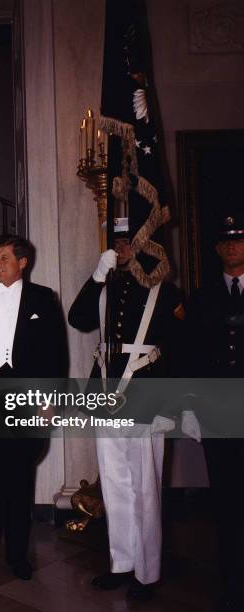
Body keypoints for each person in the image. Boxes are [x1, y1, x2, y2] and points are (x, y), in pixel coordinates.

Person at [68, 218, 185, 601]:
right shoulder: (108, 287)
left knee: (145, 488)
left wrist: (176, 404)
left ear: (147, 247)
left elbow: (180, 351)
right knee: (115, 483)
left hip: (146, 396)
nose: (121, 250)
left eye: (129, 243)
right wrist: (97, 275)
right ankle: (121, 562)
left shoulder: (165, 293)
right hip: (105, 392)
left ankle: (148, 571)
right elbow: (78, 319)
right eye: (117, 244)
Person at [0, 235, 65, 581]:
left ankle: (18, 555)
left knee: (20, 479)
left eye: (4, 258)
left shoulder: (43, 299)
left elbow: (55, 354)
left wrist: (49, 399)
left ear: (23, 263)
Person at [184, 215, 244, 611]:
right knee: (227, 500)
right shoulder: (202, 298)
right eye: (225, 243)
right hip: (219, 412)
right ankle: (233, 584)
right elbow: (190, 354)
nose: (232, 248)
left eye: (239, 242)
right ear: (217, 250)